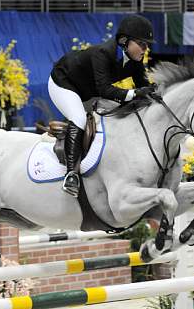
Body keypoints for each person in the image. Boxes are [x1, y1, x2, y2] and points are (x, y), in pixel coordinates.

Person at [48, 15, 155, 196]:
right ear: (124, 41)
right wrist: (136, 93)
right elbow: (105, 89)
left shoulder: (135, 61)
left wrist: (155, 93)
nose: (146, 49)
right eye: (142, 44)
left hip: (89, 92)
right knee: (79, 118)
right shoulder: (103, 53)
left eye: (147, 45)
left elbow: (143, 86)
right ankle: (71, 175)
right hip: (64, 83)